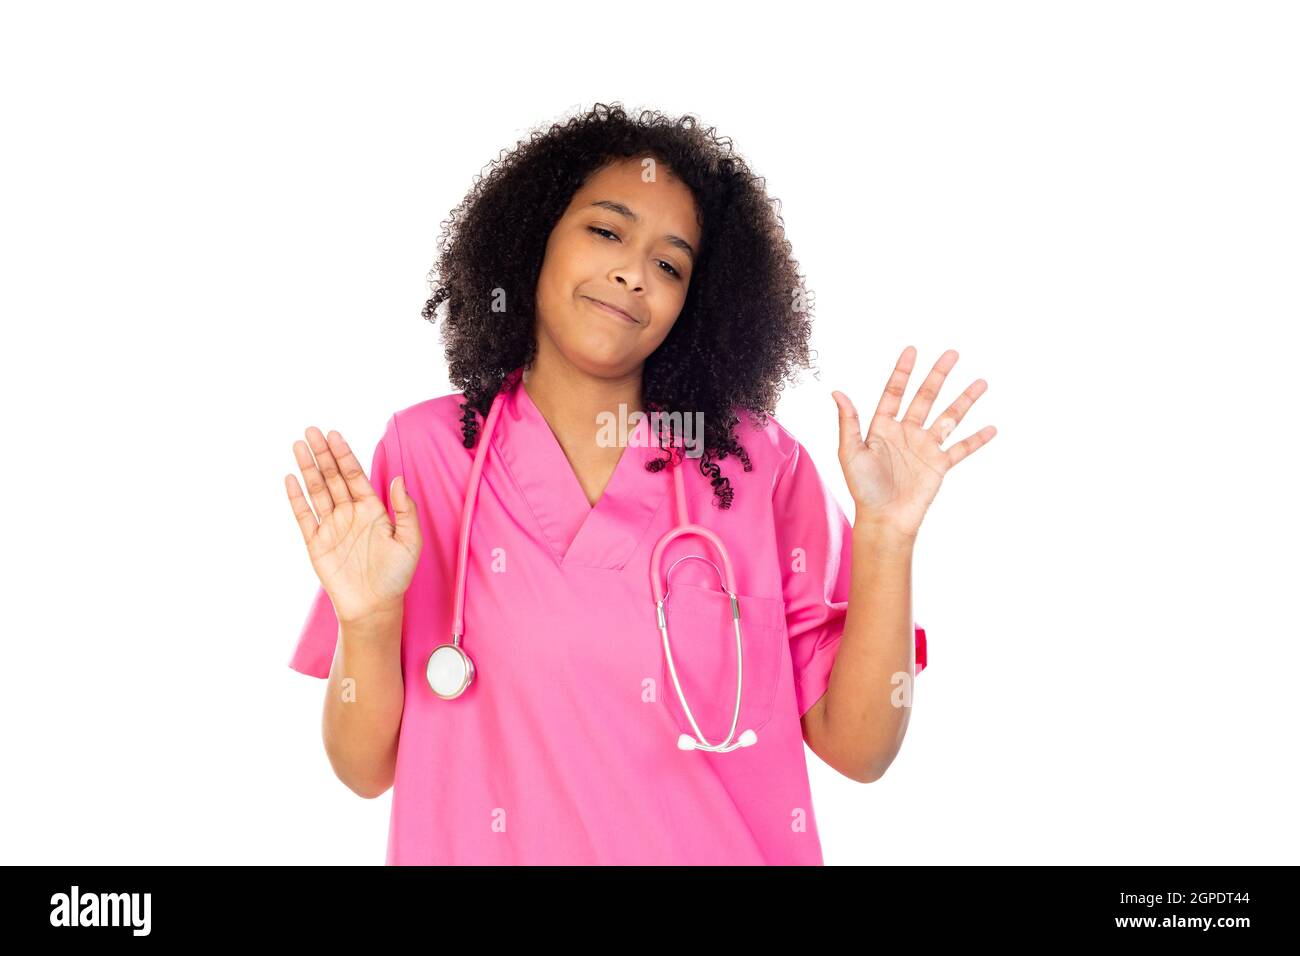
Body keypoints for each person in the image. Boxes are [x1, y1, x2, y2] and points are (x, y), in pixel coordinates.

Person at [283, 103, 993, 865]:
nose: (633, 272)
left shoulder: (757, 467)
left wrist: (887, 534)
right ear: (535, 240)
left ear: (696, 304)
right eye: (607, 231)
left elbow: (860, 750)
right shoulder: (427, 454)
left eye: (669, 264)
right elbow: (364, 771)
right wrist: (367, 621)